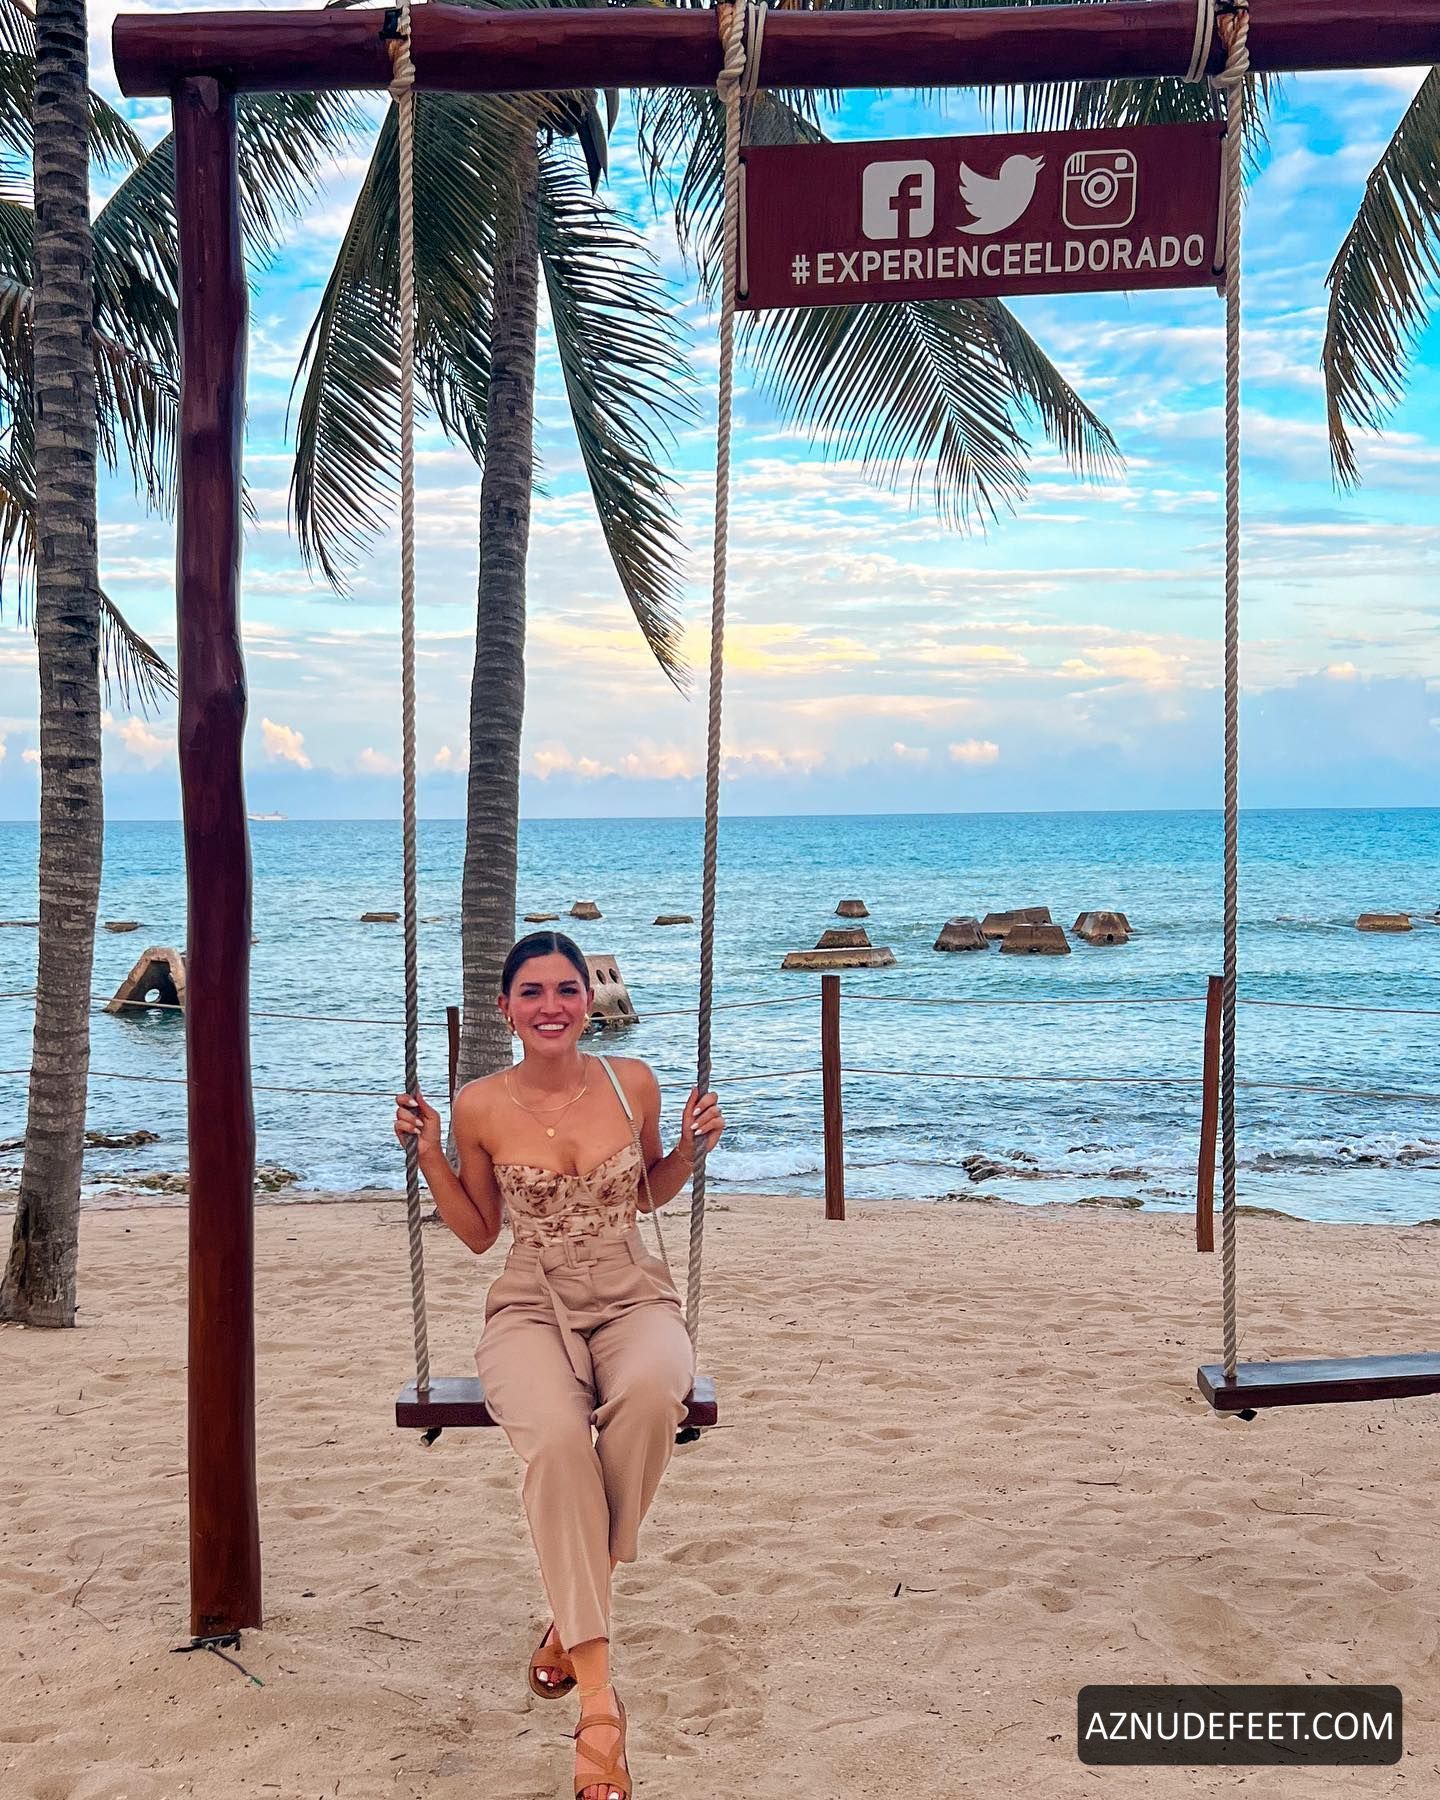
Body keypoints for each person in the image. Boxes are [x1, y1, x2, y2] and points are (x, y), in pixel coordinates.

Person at [394, 930, 724, 1800]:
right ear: (505, 1008)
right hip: (530, 1302)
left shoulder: (632, 1082)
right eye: (533, 992)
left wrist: (690, 1151)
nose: (552, 1006)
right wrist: (429, 1155)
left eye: (567, 989)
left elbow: (646, 1192)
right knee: (556, 1441)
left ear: (590, 998)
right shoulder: (479, 1105)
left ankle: (569, 1618)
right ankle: (601, 1705)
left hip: (631, 1292)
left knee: (652, 1395)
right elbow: (478, 1233)